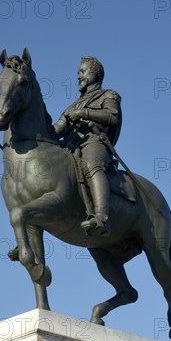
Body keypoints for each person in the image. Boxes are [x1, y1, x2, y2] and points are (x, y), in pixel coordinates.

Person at [54, 57, 122, 236]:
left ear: (96, 74)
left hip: (94, 141)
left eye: (83, 71)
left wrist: (84, 113)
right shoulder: (72, 106)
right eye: (78, 72)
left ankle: (101, 217)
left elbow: (111, 116)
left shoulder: (108, 95)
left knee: (91, 165)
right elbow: (56, 130)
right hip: (70, 145)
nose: (79, 76)